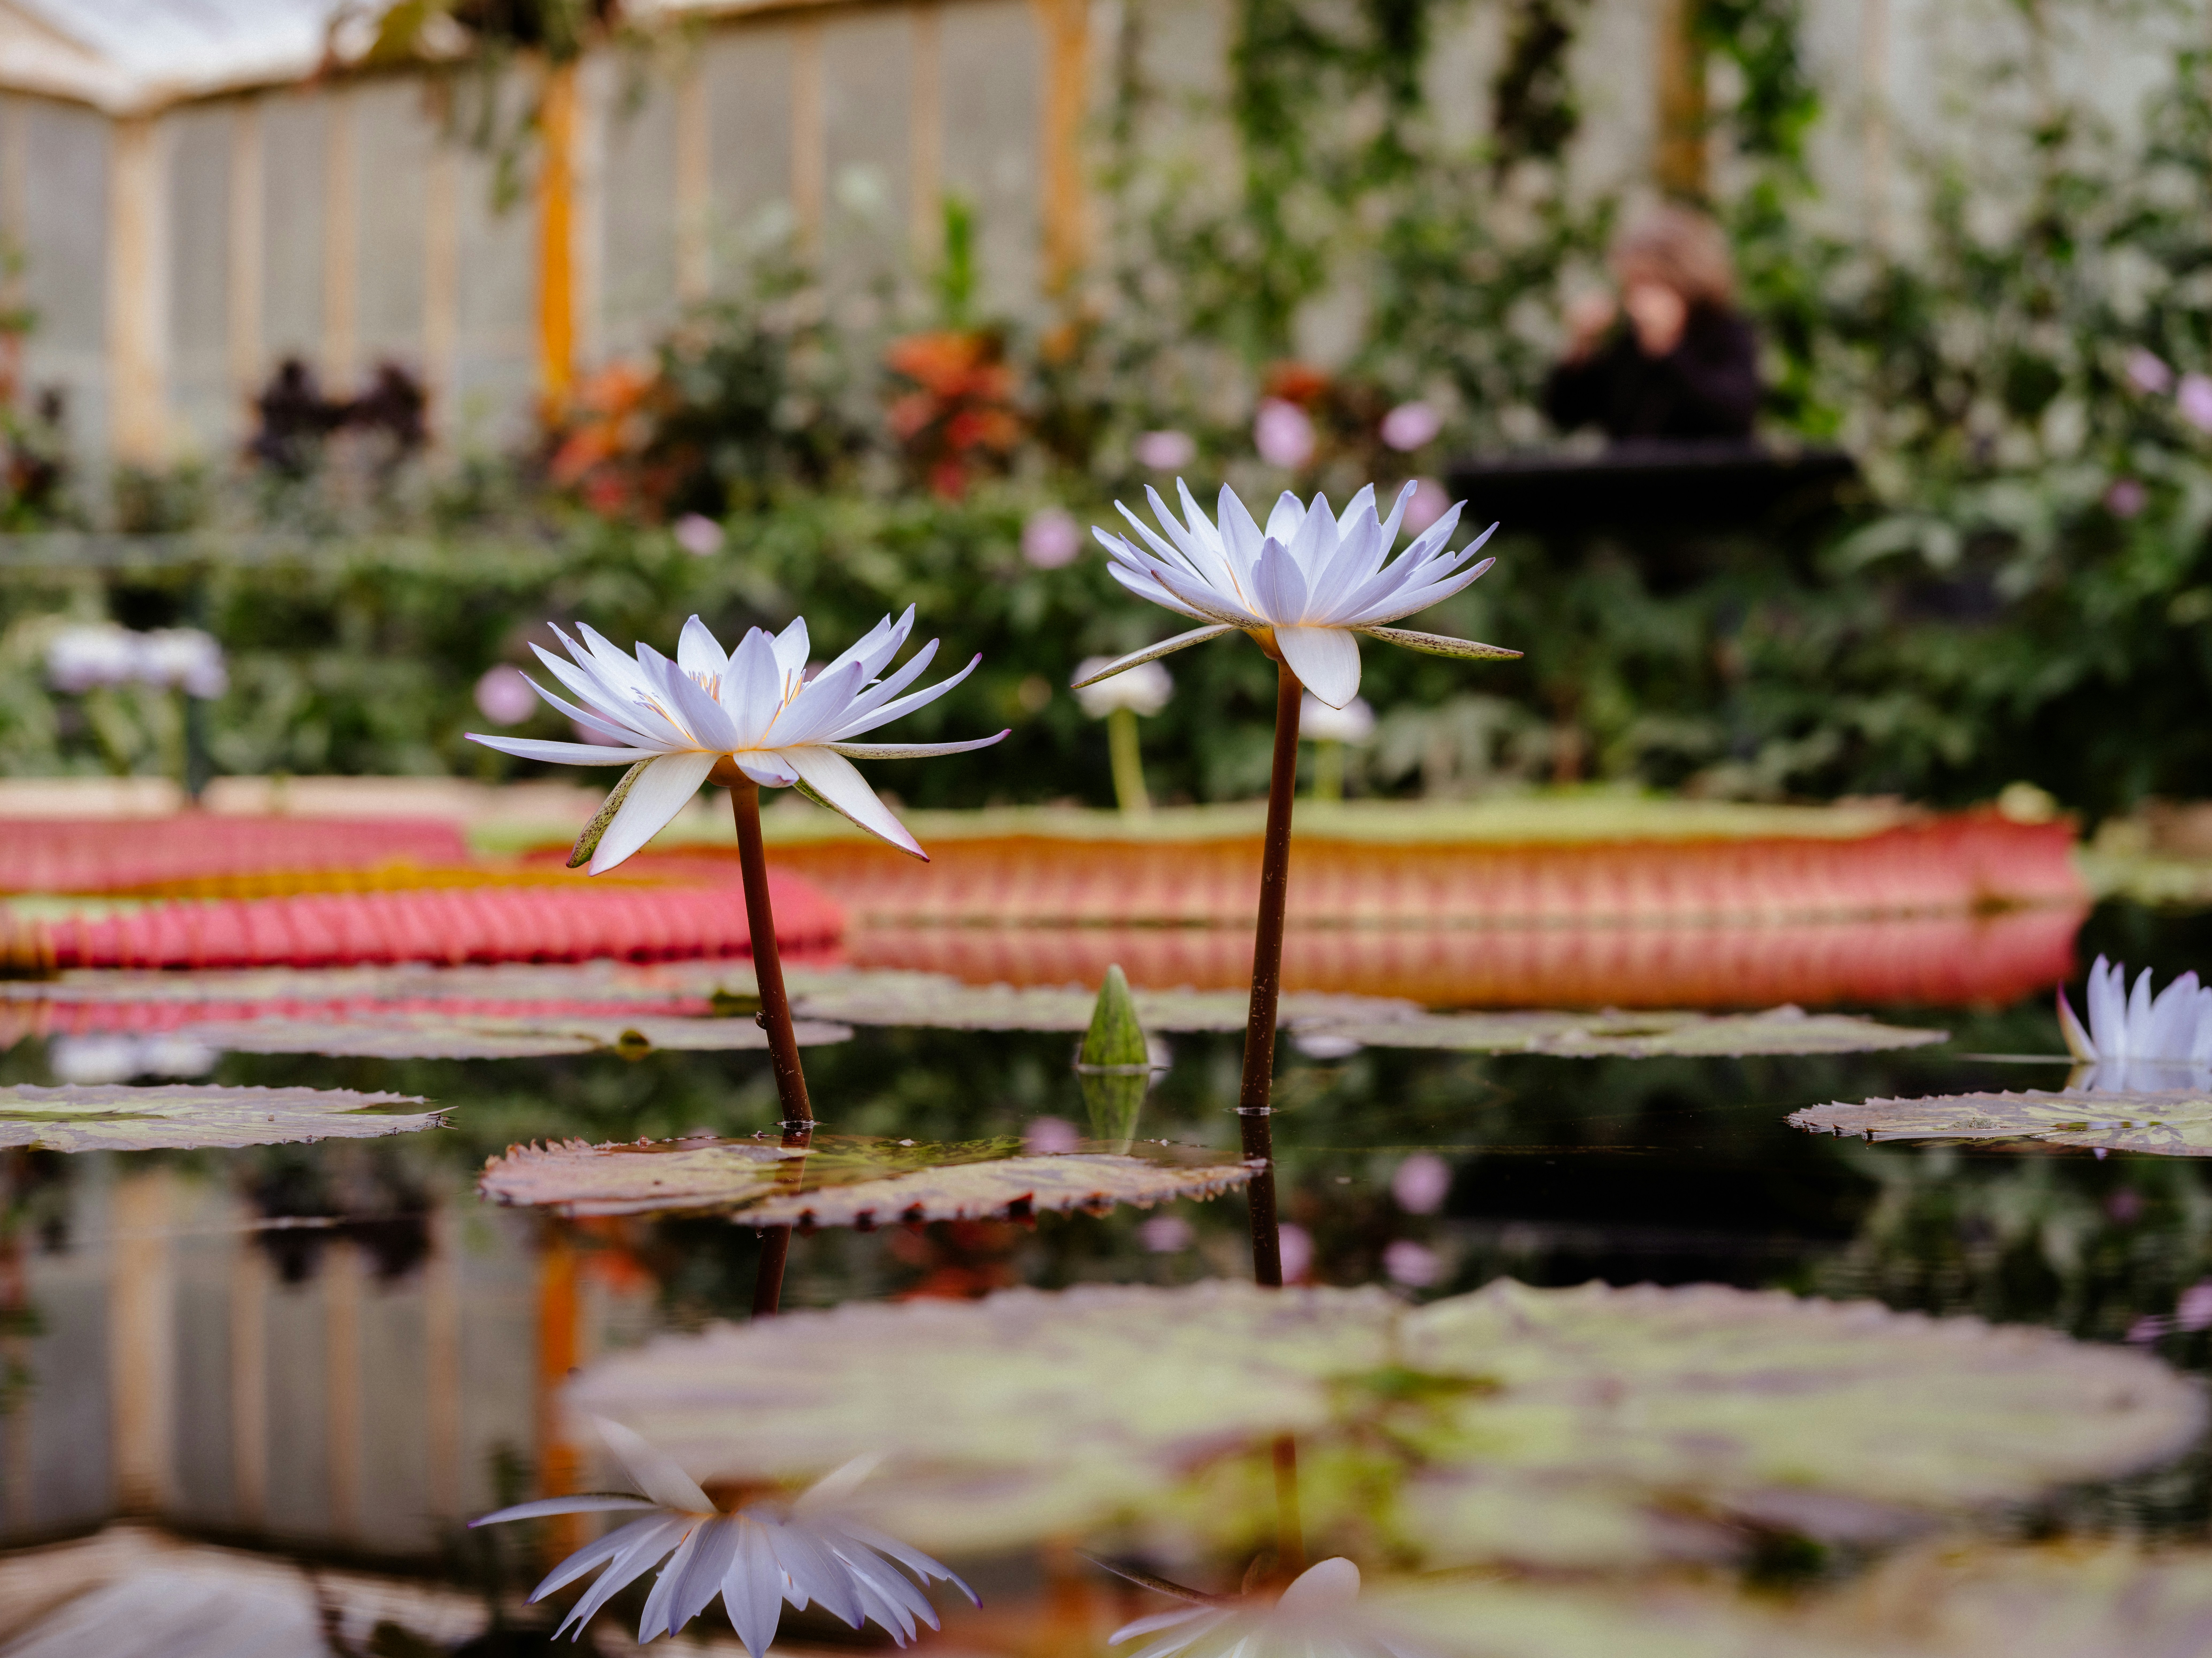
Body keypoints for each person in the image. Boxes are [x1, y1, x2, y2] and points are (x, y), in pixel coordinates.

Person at [1543, 203, 1761, 444]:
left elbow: (1733, 418)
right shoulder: (1630, 342)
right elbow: (1564, 415)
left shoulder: (1725, 333)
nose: (1639, 299)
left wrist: (1669, 352)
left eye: (1649, 283)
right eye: (1632, 285)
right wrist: (1581, 350)